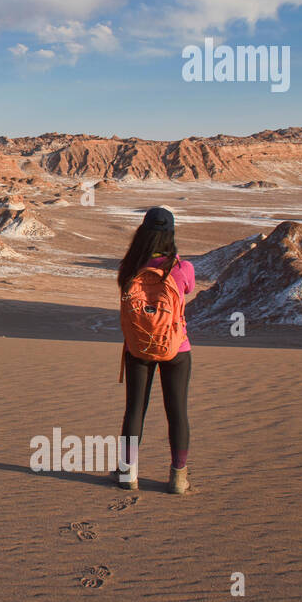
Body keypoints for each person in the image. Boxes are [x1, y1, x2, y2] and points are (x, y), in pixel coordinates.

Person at [115, 206, 194, 494]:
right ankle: (178, 478)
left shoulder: (128, 268)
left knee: (135, 410)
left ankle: (127, 475)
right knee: (177, 412)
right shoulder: (182, 269)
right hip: (177, 348)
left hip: (138, 348)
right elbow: (187, 289)